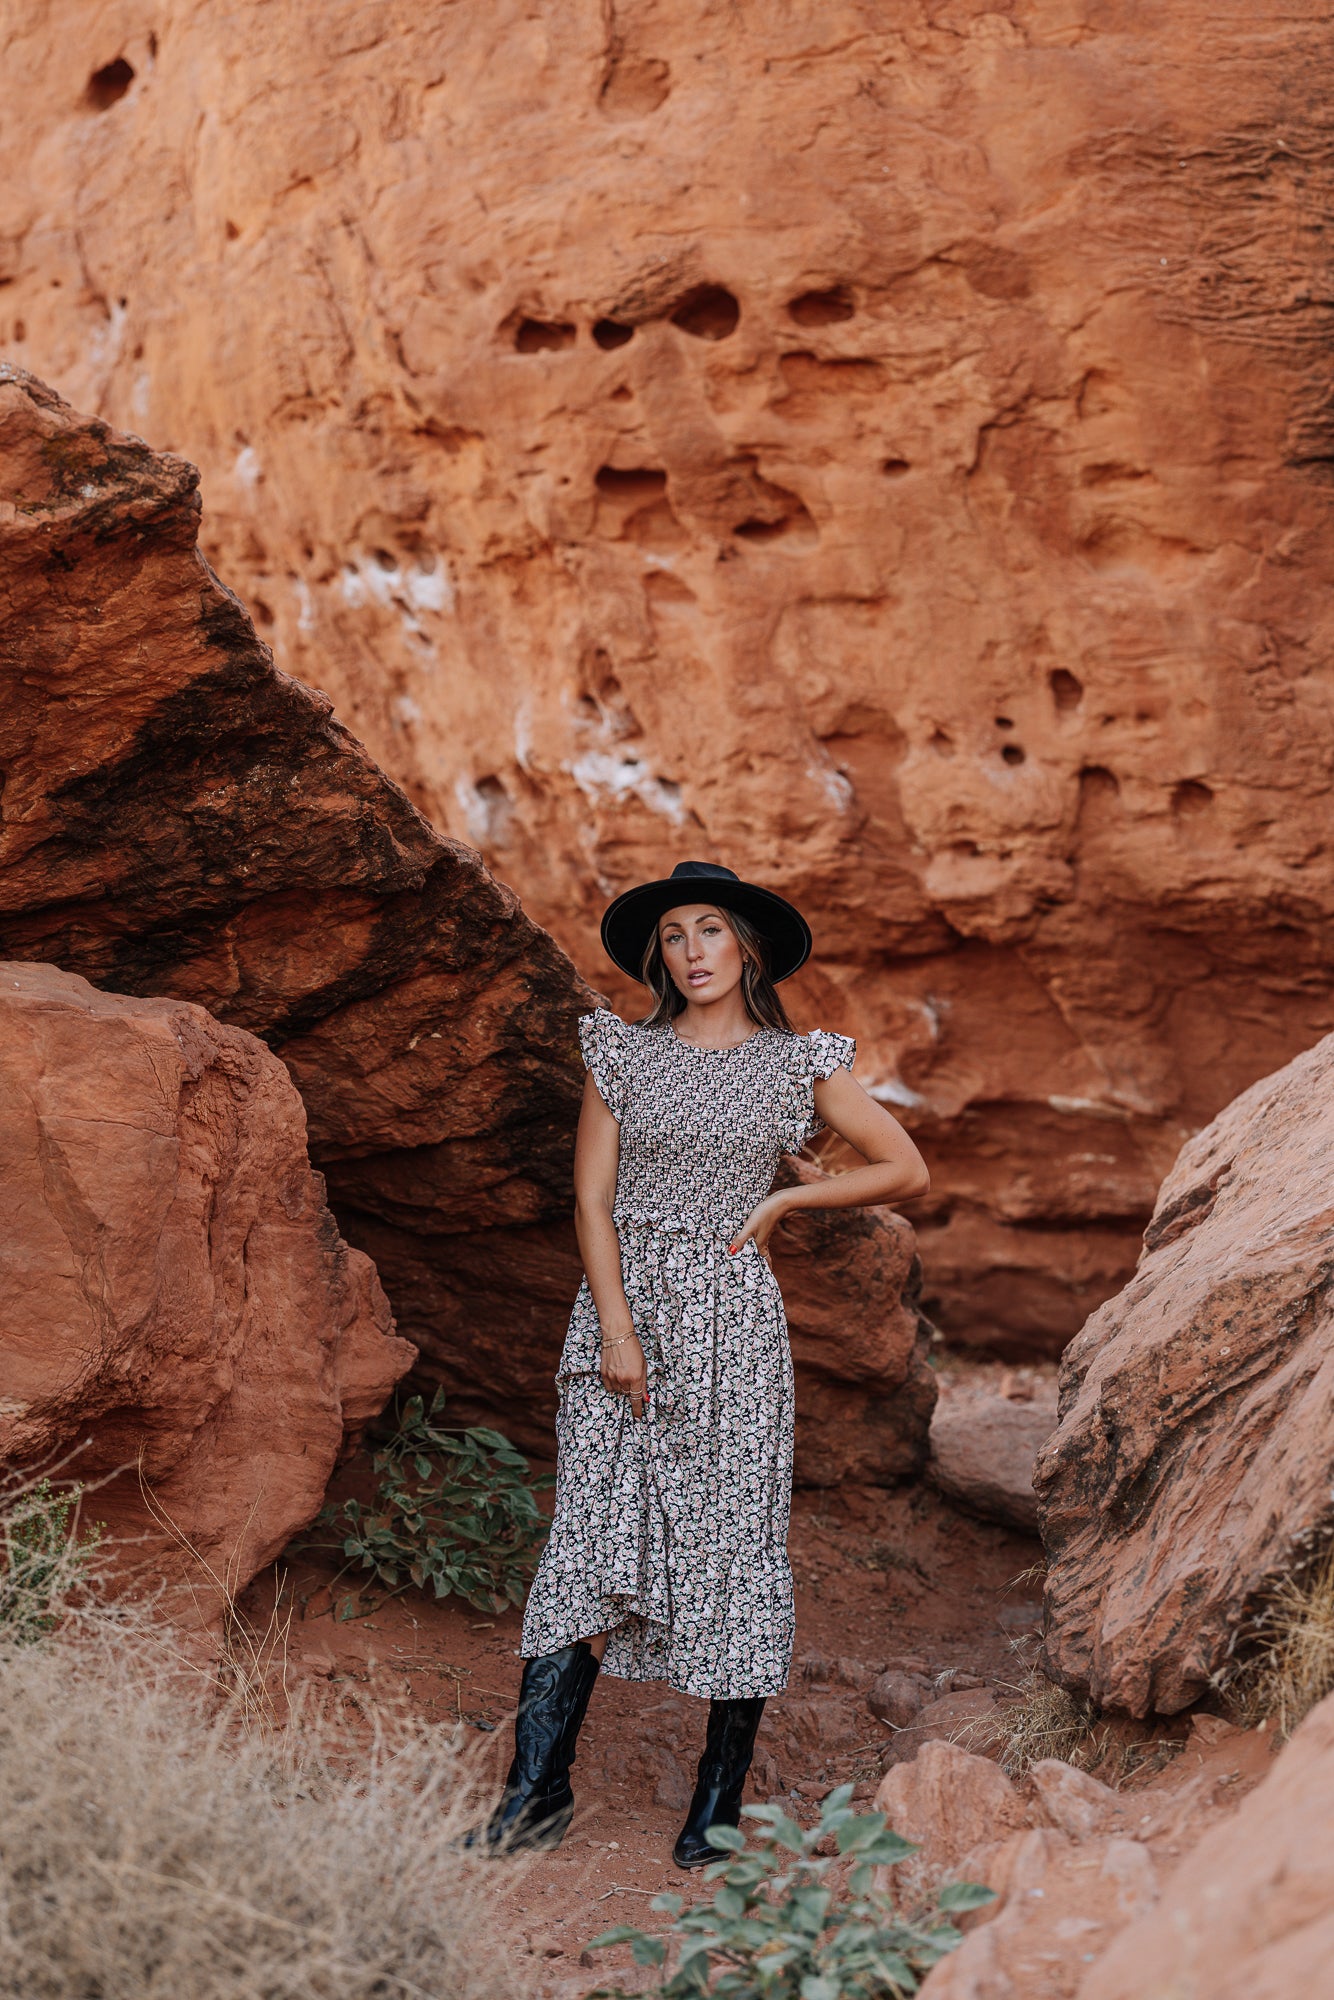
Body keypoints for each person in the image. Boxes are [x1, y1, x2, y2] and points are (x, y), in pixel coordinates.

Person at [473, 860, 929, 1864]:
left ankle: (715, 1810)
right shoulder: (622, 1053)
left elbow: (903, 1164)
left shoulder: (797, 1060)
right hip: (623, 1306)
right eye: (674, 934)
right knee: (588, 1535)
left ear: (746, 945)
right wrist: (616, 1329)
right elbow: (590, 1199)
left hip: (732, 1323)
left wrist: (781, 1201)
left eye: (709, 929)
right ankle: (533, 1793)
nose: (691, 950)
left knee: (730, 1538)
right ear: (660, 955)